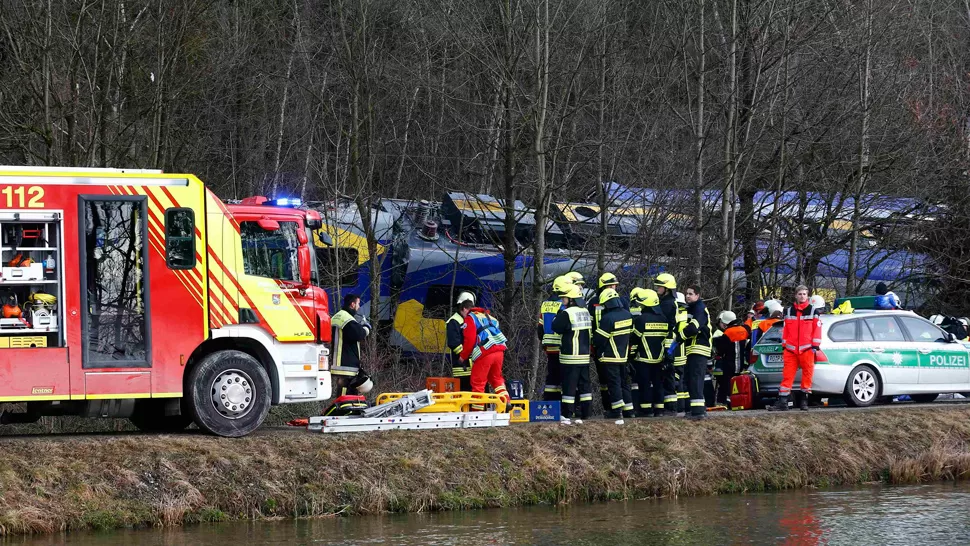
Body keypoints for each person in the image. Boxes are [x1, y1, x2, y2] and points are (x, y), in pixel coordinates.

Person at [770, 285, 822, 412]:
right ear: (796, 295)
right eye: (800, 294)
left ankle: (804, 401)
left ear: (807, 296)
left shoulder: (813, 311)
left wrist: (815, 346)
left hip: (807, 349)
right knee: (787, 376)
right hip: (790, 350)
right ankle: (783, 402)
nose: (802, 296)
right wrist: (784, 346)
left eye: (804, 294)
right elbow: (786, 330)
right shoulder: (788, 311)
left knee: (807, 375)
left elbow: (817, 329)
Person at [552, 283, 593, 424]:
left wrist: (557, 316)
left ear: (571, 299)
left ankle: (567, 413)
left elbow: (556, 326)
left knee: (569, 386)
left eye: (564, 298)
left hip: (570, 357)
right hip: (584, 356)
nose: (563, 300)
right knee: (585, 386)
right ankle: (587, 413)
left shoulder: (567, 313)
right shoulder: (585, 312)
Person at [592, 287, 634, 424]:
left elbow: (599, 339)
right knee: (624, 383)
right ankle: (629, 410)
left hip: (610, 356)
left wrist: (594, 343)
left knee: (614, 383)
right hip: (623, 356)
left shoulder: (608, 318)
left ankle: (616, 411)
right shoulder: (627, 315)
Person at [459, 302, 510, 409]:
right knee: (496, 378)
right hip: (499, 351)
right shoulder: (490, 317)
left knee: (478, 382)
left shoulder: (470, 318)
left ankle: (477, 412)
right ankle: (506, 401)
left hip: (485, 352)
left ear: (464, 309)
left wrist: (463, 356)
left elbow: (470, 340)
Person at [632, 288, 669, 417]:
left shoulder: (641, 320)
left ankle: (646, 410)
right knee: (658, 384)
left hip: (643, 359)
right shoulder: (664, 319)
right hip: (659, 359)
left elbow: (635, 340)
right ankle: (659, 409)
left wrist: (631, 356)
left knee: (645, 384)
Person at [679, 285, 712, 419]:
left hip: (699, 348)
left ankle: (698, 412)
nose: (687, 296)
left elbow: (693, 328)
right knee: (690, 379)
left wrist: (680, 336)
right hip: (692, 349)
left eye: (691, 294)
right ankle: (695, 409)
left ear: (697, 295)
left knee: (696, 379)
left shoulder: (700, 308)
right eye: (686, 294)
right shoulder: (691, 308)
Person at [537, 276, 571, 401]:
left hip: (549, 346)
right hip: (562, 346)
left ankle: (550, 403)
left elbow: (540, 328)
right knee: (565, 376)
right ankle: (565, 404)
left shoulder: (545, 304)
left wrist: (543, 343)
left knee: (552, 376)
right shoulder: (564, 304)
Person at [331, 293, 371, 397]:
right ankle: (342, 408)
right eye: (358, 304)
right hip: (346, 364)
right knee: (346, 394)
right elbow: (359, 334)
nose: (359, 307)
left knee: (344, 391)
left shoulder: (337, 316)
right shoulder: (347, 318)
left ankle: (342, 406)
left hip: (338, 362)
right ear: (352, 304)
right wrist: (366, 327)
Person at [654, 273, 680, 416]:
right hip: (668, 342)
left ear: (667, 288)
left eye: (660, 286)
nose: (657, 288)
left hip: (668, 343)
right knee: (666, 375)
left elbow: (665, 323)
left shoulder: (667, 304)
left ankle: (671, 408)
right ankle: (668, 407)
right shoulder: (667, 301)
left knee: (668, 374)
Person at [712, 310, 751, 406]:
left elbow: (721, 350)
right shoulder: (744, 330)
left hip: (729, 363)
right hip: (742, 363)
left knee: (727, 383)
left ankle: (725, 400)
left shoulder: (728, 332)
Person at [447, 291, 476, 391]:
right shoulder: (454, 321)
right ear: (463, 308)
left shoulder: (469, 320)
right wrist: (464, 356)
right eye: (469, 309)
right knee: (464, 392)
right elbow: (453, 343)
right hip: (462, 367)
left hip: (472, 365)